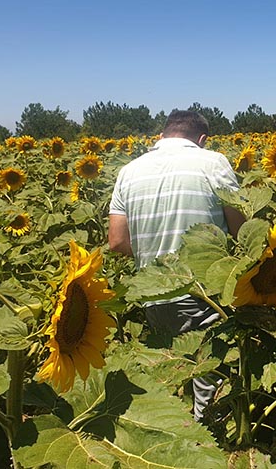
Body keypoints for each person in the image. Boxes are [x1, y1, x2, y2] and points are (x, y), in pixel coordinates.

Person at [108, 109, 245, 421]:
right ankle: (209, 440)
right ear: (202, 139)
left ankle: (174, 434)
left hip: (153, 293)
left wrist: (156, 261)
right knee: (210, 380)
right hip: (204, 293)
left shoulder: (129, 171)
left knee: (169, 375)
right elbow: (240, 229)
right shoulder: (213, 162)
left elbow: (116, 242)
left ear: (162, 136)